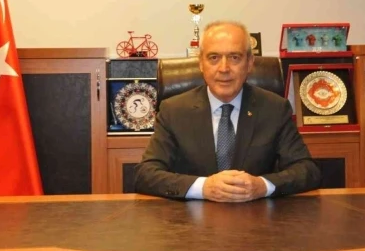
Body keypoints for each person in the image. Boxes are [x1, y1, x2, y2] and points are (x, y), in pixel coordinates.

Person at [134, 21, 321, 202]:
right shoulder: (174, 111)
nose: (224, 69)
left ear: (249, 63)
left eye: (234, 57)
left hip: (256, 216)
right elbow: (146, 174)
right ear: (201, 63)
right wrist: (203, 187)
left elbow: (307, 170)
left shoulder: (274, 109)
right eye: (214, 58)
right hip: (190, 219)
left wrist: (262, 186)